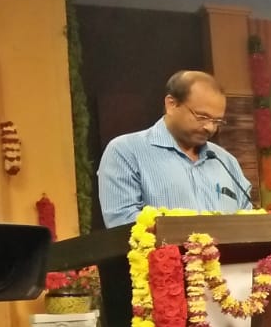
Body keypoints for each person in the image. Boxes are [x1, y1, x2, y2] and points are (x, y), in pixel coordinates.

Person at [98, 70, 253, 227]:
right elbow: (123, 224)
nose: (210, 127)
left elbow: (249, 223)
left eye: (217, 121)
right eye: (202, 117)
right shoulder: (125, 152)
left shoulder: (226, 161)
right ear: (171, 104)